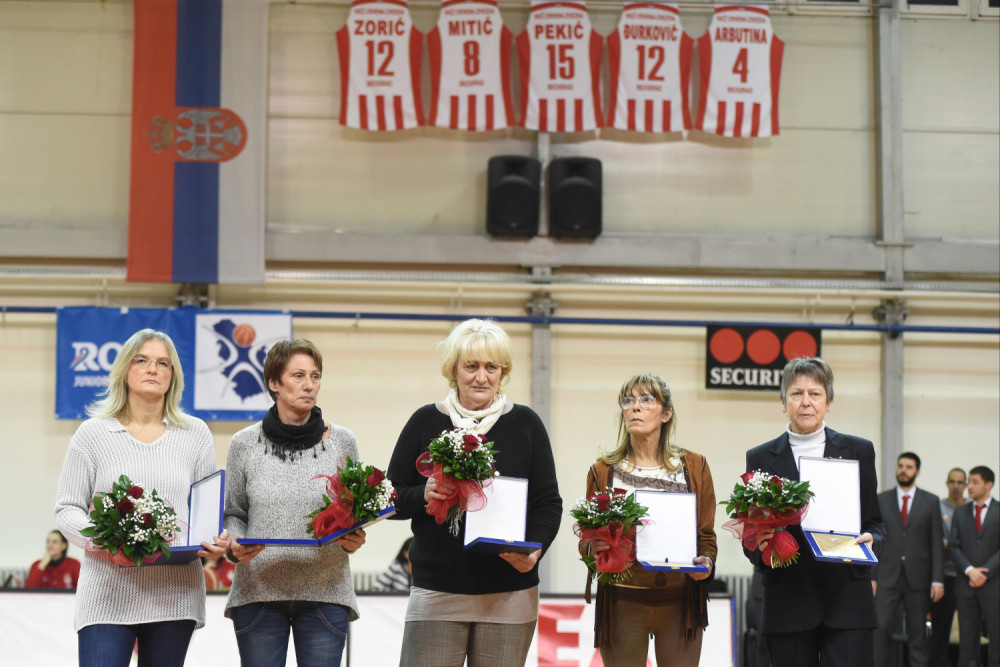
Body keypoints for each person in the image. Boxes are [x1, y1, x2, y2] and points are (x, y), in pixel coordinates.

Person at [386, 318, 563, 667]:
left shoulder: (527, 424)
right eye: (471, 366)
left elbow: (548, 503)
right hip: (437, 591)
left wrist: (536, 548)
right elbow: (391, 496)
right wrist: (424, 493)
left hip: (510, 594)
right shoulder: (425, 421)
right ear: (454, 369)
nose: (482, 377)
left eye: (491, 367)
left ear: (503, 371)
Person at [54, 328, 229, 667]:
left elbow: (206, 512)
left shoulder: (195, 435)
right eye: (142, 360)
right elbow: (67, 508)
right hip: (106, 593)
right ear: (124, 370)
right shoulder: (93, 434)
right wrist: (101, 542)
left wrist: (214, 539)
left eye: (163, 363)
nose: (153, 369)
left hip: (174, 593)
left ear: (172, 376)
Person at [224, 338, 367, 667]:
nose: (309, 385)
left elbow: (351, 514)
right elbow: (233, 513)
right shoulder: (243, 443)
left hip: (326, 593)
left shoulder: (344, 442)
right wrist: (234, 541)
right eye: (298, 376)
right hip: (258, 592)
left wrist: (354, 536)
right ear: (274, 383)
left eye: (315, 376)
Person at [743, 356, 885, 667]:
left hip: (847, 598)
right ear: (784, 401)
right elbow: (750, 534)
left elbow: (875, 522)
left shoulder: (859, 451)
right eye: (796, 394)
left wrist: (872, 538)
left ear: (829, 402)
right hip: (788, 599)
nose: (805, 402)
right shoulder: (760, 457)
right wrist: (760, 545)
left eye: (815, 394)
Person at [580, 374, 716, 667]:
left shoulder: (695, 466)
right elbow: (587, 542)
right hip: (622, 601)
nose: (635, 407)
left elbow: (706, 536)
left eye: (646, 400)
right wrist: (596, 549)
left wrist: (706, 562)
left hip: (681, 602)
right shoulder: (603, 471)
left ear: (667, 413)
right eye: (628, 401)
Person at [874, 452, 944, 667]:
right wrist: (872, 577)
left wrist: (937, 580)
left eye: (909, 467)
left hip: (919, 578)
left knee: (917, 634)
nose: (903, 470)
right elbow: (876, 540)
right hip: (886, 577)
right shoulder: (882, 499)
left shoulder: (931, 501)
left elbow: (936, 543)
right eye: (901, 466)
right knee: (880, 630)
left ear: (917, 471)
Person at [949, 465, 998, 667]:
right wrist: (970, 570)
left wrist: (986, 572)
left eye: (975, 482)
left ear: (989, 485)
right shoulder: (960, 513)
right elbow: (953, 545)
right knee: (967, 644)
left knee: (996, 641)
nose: (969, 486)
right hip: (966, 585)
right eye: (969, 481)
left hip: (994, 586)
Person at [929, 467, 970, 667]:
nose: (956, 486)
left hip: (968, 575)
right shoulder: (938, 506)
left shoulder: (971, 507)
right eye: (952, 482)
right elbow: (935, 540)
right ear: (947, 483)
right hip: (944, 575)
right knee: (940, 628)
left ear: (966, 485)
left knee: (969, 627)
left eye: (960, 482)